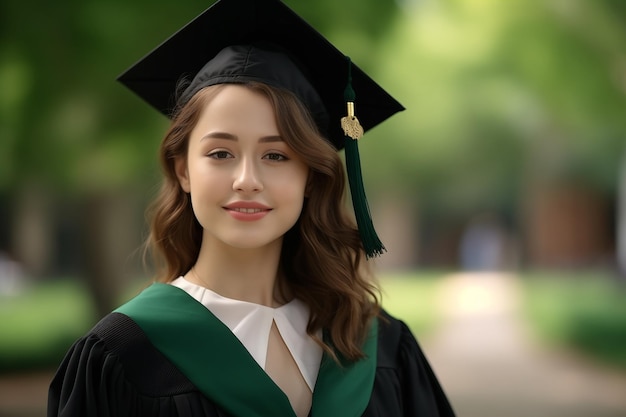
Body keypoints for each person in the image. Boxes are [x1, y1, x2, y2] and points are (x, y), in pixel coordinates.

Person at [48, 0, 456, 416]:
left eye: (276, 156)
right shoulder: (124, 354)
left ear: (310, 178)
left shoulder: (378, 345)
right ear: (183, 170)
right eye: (221, 153)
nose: (247, 179)